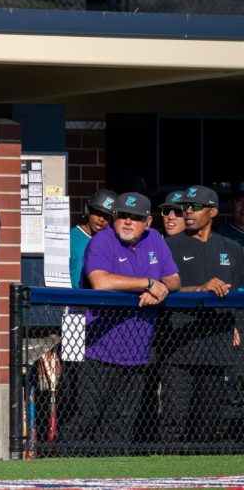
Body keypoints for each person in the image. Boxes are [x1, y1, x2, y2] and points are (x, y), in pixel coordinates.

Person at [64, 192, 179, 450]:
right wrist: (148, 284)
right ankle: (60, 466)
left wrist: (161, 288)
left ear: (147, 222)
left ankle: (109, 477)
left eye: (135, 217)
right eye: (122, 216)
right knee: (86, 415)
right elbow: (101, 282)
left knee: (121, 421)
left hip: (136, 351)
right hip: (95, 347)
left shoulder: (156, 240)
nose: (127, 222)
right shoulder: (101, 241)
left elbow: (174, 279)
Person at [158, 186, 244, 444]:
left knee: (207, 425)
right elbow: (160, 291)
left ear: (213, 211)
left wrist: (236, 327)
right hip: (178, 348)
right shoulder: (169, 246)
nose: (188, 212)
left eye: (195, 207)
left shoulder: (233, 248)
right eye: (186, 207)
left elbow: (238, 295)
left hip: (216, 348)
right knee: (174, 421)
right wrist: (198, 289)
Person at [71, 189, 116, 288]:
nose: (101, 219)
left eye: (107, 216)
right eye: (98, 213)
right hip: (74, 298)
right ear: (88, 211)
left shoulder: (111, 241)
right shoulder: (71, 238)